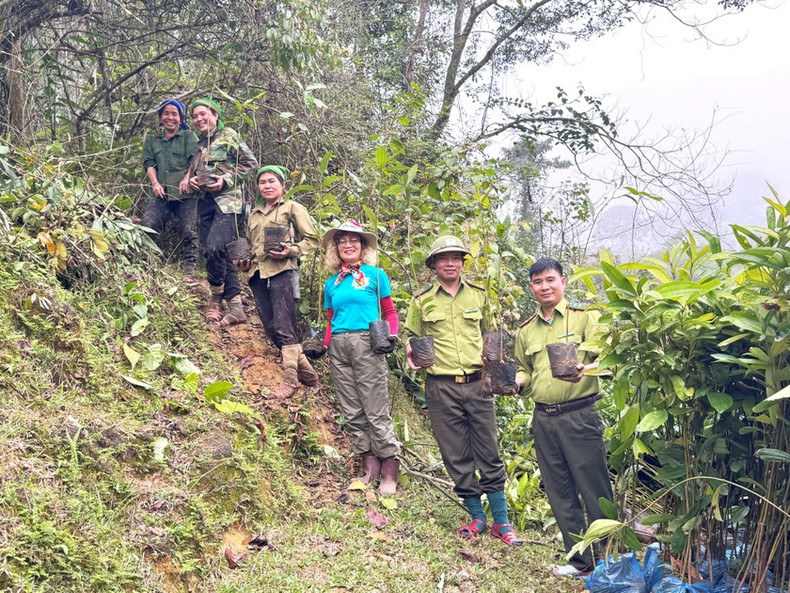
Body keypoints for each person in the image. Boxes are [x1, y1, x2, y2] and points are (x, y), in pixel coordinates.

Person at [404, 235, 523, 547]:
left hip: (477, 384)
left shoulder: (480, 296)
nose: (450, 263)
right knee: (455, 453)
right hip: (440, 386)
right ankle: (477, 517)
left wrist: (498, 368)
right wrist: (409, 352)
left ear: (462, 262)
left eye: (456, 258)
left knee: (489, 450)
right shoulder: (421, 300)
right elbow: (411, 336)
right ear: (433, 264)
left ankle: (501, 522)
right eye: (443, 258)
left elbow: (492, 335)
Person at [513, 257, 612, 577]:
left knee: (594, 489)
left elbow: (610, 357)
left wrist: (588, 369)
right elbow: (524, 370)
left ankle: (610, 562)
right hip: (544, 419)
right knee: (559, 491)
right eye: (537, 282)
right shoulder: (525, 331)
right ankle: (581, 562)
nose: (544, 287)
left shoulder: (584, 317)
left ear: (563, 282)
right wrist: (518, 381)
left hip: (579, 415)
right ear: (531, 287)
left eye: (550, 280)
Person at [322, 221, 401, 494]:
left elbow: (390, 312)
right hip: (339, 347)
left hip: (368, 342)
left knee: (374, 407)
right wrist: (323, 346)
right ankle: (369, 467)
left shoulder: (376, 275)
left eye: (353, 240)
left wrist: (391, 336)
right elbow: (331, 320)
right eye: (342, 240)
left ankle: (389, 467)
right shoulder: (331, 283)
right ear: (336, 248)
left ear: (363, 245)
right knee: (352, 409)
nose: (348, 245)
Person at [234, 165, 320, 399]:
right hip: (257, 274)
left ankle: (290, 381)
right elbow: (251, 246)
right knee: (271, 327)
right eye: (262, 182)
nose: (267, 186)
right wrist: (244, 262)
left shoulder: (292, 208)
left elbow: (313, 240)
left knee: (284, 325)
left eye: (272, 181)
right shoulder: (254, 214)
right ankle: (308, 374)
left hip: (283, 270)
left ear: (282, 186)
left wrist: (291, 250)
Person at [187, 97, 259, 327]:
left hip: (228, 203)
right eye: (194, 116)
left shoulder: (229, 135)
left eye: (203, 114)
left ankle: (216, 298)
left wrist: (225, 179)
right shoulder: (200, 145)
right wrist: (193, 181)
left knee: (214, 247)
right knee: (218, 254)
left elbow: (250, 163)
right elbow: (194, 174)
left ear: (215, 115)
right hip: (205, 204)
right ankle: (236, 307)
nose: (198, 119)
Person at [141, 99, 199, 276]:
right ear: (161, 117)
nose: (170, 117)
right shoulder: (153, 140)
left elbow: (196, 159)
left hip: (186, 194)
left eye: (174, 114)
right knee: (148, 224)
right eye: (166, 113)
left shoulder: (189, 137)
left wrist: (187, 178)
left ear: (181, 118)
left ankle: (189, 269)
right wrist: (155, 183)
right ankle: (148, 264)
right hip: (162, 194)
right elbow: (149, 163)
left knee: (189, 230)